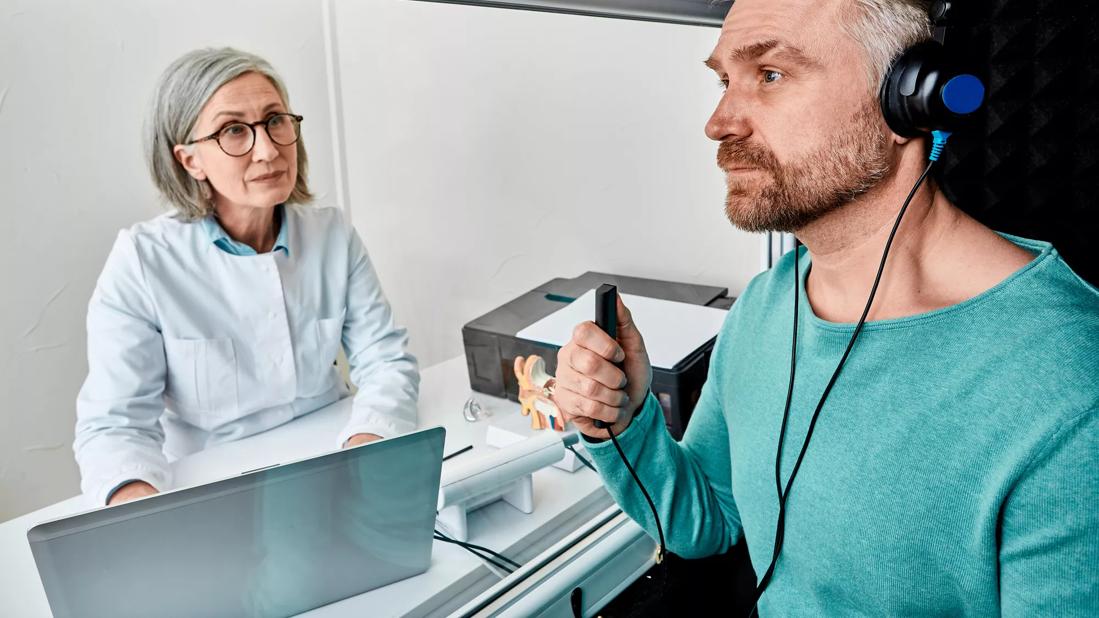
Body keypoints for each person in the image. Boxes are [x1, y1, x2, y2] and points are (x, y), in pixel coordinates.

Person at [553, 0, 1099, 614]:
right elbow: (711, 520)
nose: (719, 120)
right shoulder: (767, 304)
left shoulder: (1068, 384)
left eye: (770, 75)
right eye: (725, 80)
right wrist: (624, 423)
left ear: (907, 100)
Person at [74, 48, 419, 507]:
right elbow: (114, 427)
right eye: (234, 130)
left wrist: (370, 443)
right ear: (189, 160)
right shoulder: (142, 261)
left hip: (335, 461)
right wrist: (143, 511)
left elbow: (385, 361)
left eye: (276, 120)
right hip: (215, 489)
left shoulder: (332, 234)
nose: (268, 149)